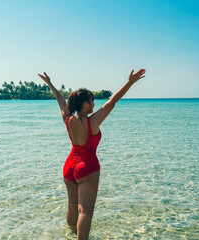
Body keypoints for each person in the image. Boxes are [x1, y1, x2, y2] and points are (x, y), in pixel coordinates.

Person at [38, 69, 146, 240]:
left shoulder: (67, 118)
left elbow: (60, 99)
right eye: (92, 101)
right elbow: (111, 102)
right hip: (87, 167)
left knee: (73, 208)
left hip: (69, 166)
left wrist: (50, 83)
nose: (95, 104)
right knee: (85, 211)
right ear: (86, 104)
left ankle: (69, 236)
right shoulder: (93, 121)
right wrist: (130, 83)